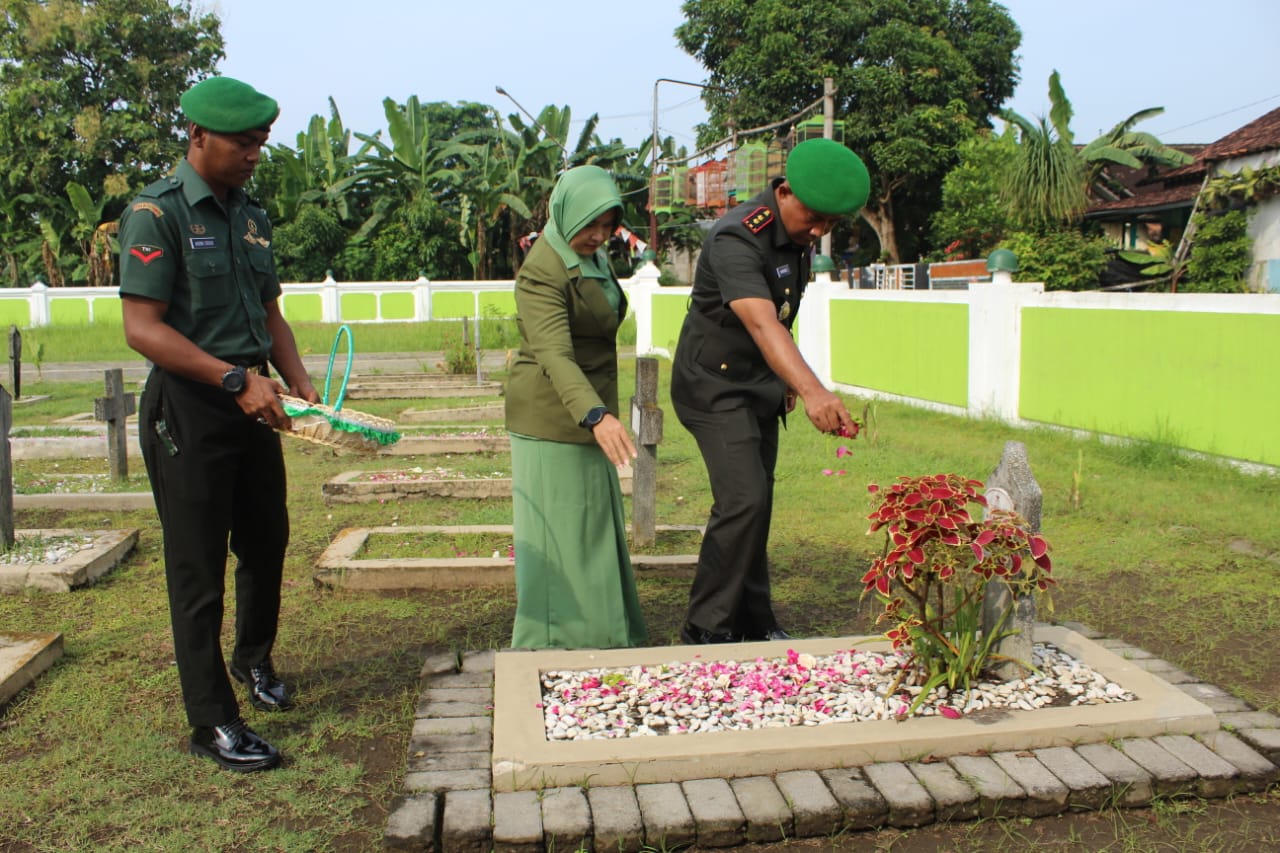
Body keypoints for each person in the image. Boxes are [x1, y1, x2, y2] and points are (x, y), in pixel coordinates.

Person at [119, 76, 320, 772]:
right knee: (196, 567)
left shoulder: (251, 215)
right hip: (192, 406)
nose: (254, 154)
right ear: (198, 136)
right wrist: (234, 379)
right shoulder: (157, 213)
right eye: (242, 143)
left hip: (255, 400)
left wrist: (296, 377)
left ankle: (254, 661)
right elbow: (141, 329)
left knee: (267, 539)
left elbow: (270, 311)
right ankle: (211, 720)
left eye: (260, 143)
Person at [670, 138, 870, 644]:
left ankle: (755, 621)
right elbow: (762, 324)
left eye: (832, 224)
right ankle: (706, 630)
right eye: (816, 217)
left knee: (757, 503)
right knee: (743, 499)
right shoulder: (737, 236)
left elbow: (783, 316)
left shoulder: (795, 240)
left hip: (757, 387)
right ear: (784, 192)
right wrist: (812, 391)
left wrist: (783, 383)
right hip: (713, 386)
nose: (821, 231)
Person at [505, 165, 648, 650]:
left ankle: (601, 632)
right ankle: (552, 641)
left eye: (608, 225)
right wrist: (595, 415)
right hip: (552, 417)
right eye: (590, 224)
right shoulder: (543, 269)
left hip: (590, 412)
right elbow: (554, 356)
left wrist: (598, 414)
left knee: (589, 528)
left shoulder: (592, 255)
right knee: (561, 536)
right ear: (566, 212)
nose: (599, 235)